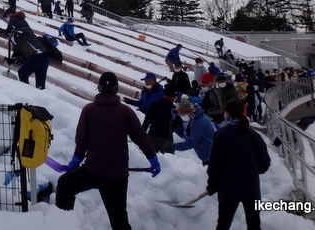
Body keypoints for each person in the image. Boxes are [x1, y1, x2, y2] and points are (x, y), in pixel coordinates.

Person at [56, 71, 160, 229]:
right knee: (119, 219)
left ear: (99, 88)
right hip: (117, 175)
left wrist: (75, 162)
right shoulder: (126, 112)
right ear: (116, 89)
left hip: (93, 171)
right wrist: (153, 159)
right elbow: (141, 138)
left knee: (65, 185)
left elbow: (81, 141)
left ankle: (65, 223)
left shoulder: (89, 110)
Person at [206, 99, 271, 230]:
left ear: (228, 114)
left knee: (223, 224)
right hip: (251, 187)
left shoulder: (221, 134)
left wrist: (212, 184)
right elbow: (265, 162)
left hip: (228, 187)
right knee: (254, 225)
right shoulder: (253, 135)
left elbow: (215, 164)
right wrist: (251, 170)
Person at [4, 12, 49, 89]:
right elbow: (21, 50)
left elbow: (20, 31)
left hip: (38, 56)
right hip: (43, 57)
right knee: (40, 86)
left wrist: (12, 29)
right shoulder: (22, 34)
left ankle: (26, 92)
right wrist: (14, 59)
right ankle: (39, 98)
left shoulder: (23, 30)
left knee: (22, 73)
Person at [170, 95, 215, 165]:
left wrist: (172, 146)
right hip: (206, 154)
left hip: (210, 155)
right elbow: (186, 135)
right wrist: (175, 127)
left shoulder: (199, 122)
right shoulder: (193, 119)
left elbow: (191, 142)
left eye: (182, 114)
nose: (181, 116)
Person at [142, 83, 176, 154]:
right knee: (168, 163)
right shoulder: (174, 109)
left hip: (152, 136)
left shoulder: (154, 104)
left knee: (150, 161)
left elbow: (146, 121)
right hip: (166, 139)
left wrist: (141, 135)